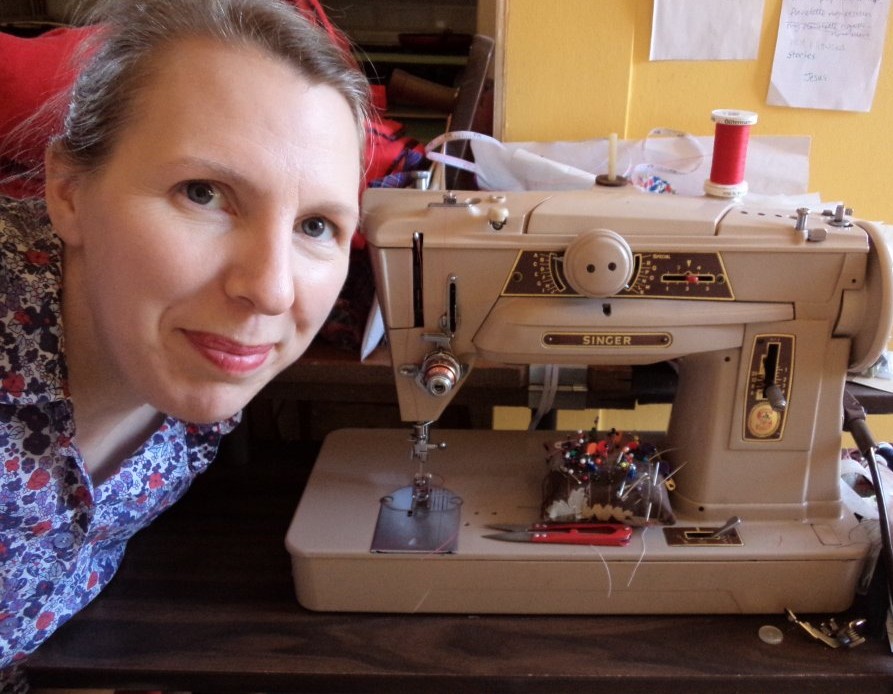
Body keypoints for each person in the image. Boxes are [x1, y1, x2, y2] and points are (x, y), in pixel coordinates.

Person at [0, 0, 371, 689]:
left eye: (317, 226)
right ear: (69, 191)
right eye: (204, 193)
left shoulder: (193, 365)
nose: (271, 290)